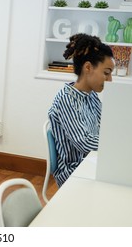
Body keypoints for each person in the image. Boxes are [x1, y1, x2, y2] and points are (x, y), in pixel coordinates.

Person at [48, 33, 114, 187]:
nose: (110, 80)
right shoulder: (66, 99)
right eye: (106, 73)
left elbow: (102, 126)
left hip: (90, 162)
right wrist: (113, 143)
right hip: (73, 171)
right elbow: (85, 143)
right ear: (88, 67)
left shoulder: (91, 96)